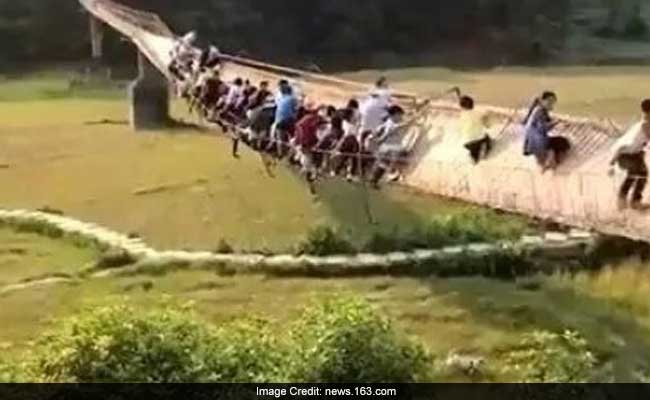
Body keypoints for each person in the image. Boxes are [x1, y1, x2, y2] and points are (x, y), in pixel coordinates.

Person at [609, 99, 650, 210]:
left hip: (632, 155)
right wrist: (612, 162)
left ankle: (629, 200)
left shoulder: (644, 123)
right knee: (638, 173)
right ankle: (631, 201)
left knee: (640, 174)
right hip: (624, 155)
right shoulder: (646, 124)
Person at [522, 91, 570, 171]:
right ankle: (551, 160)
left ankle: (544, 161)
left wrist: (559, 123)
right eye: (550, 102)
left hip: (529, 145)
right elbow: (543, 128)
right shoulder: (540, 111)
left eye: (553, 102)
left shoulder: (536, 110)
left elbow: (545, 123)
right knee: (564, 142)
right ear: (543, 101)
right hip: (538, 144)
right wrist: (556, 122)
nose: (552, 104)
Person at [457, 95, 492, 164]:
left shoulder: (461, 116)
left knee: (473, 145)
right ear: (473, 104)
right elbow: (488, 126)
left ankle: (474, 156)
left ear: (461, 106)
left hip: (466, 143)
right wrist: (488, 116)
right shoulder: (479, 114)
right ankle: (484, 149)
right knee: (486, 138)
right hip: (478, 139)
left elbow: (459, 130)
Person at [269, 84, 298, 158]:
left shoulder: (280, 98)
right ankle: (290, 154)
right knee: (293, 138)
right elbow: (296, 108)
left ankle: (280, 154)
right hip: (289, 120)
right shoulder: (293, 98)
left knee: (280, 139)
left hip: (279, 121)